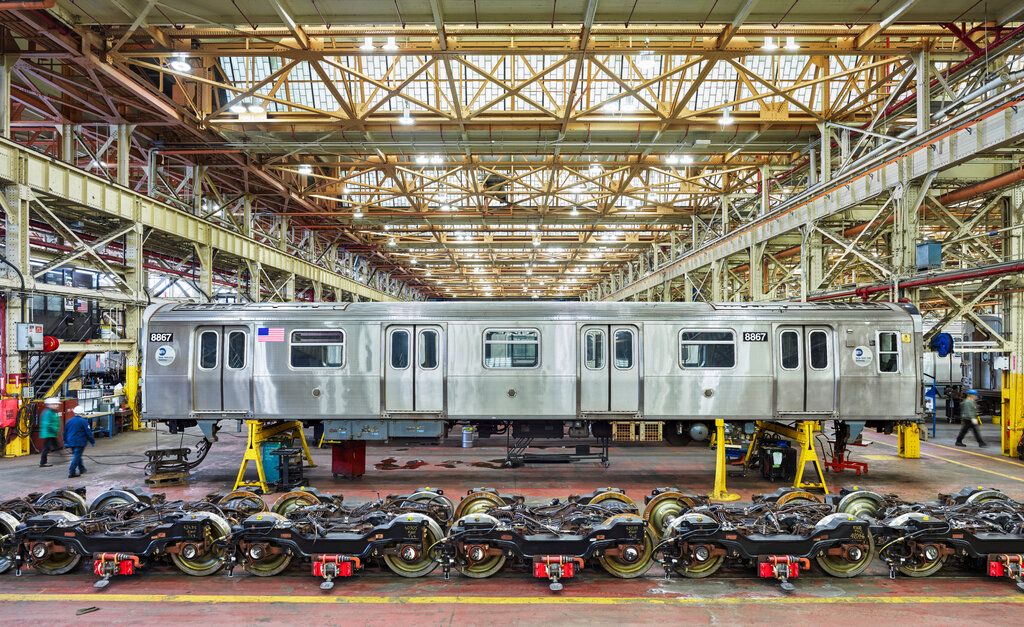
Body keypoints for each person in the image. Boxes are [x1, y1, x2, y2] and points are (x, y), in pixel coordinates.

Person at [63, 405, 95, 478]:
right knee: (76, 456)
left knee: (77, 455)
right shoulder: (84, 421)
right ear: (82, 413)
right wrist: (92, 441)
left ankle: (82, 469)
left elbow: (65, 432)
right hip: (79, 442)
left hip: (70, 441)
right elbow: (88, 432)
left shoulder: (69, 421)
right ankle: (72, 472)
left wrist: (65, 442)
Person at [38, 397, 61, 467]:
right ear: (50, 405)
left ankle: (60, 458)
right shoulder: (48, 413)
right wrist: (54, 429)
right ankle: (43, 462)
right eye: (55, 404)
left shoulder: (52, 412)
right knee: (47, 448)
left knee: (56, 446)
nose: (57, 406)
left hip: (51, 433)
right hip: (48, 433)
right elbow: (47, 424)